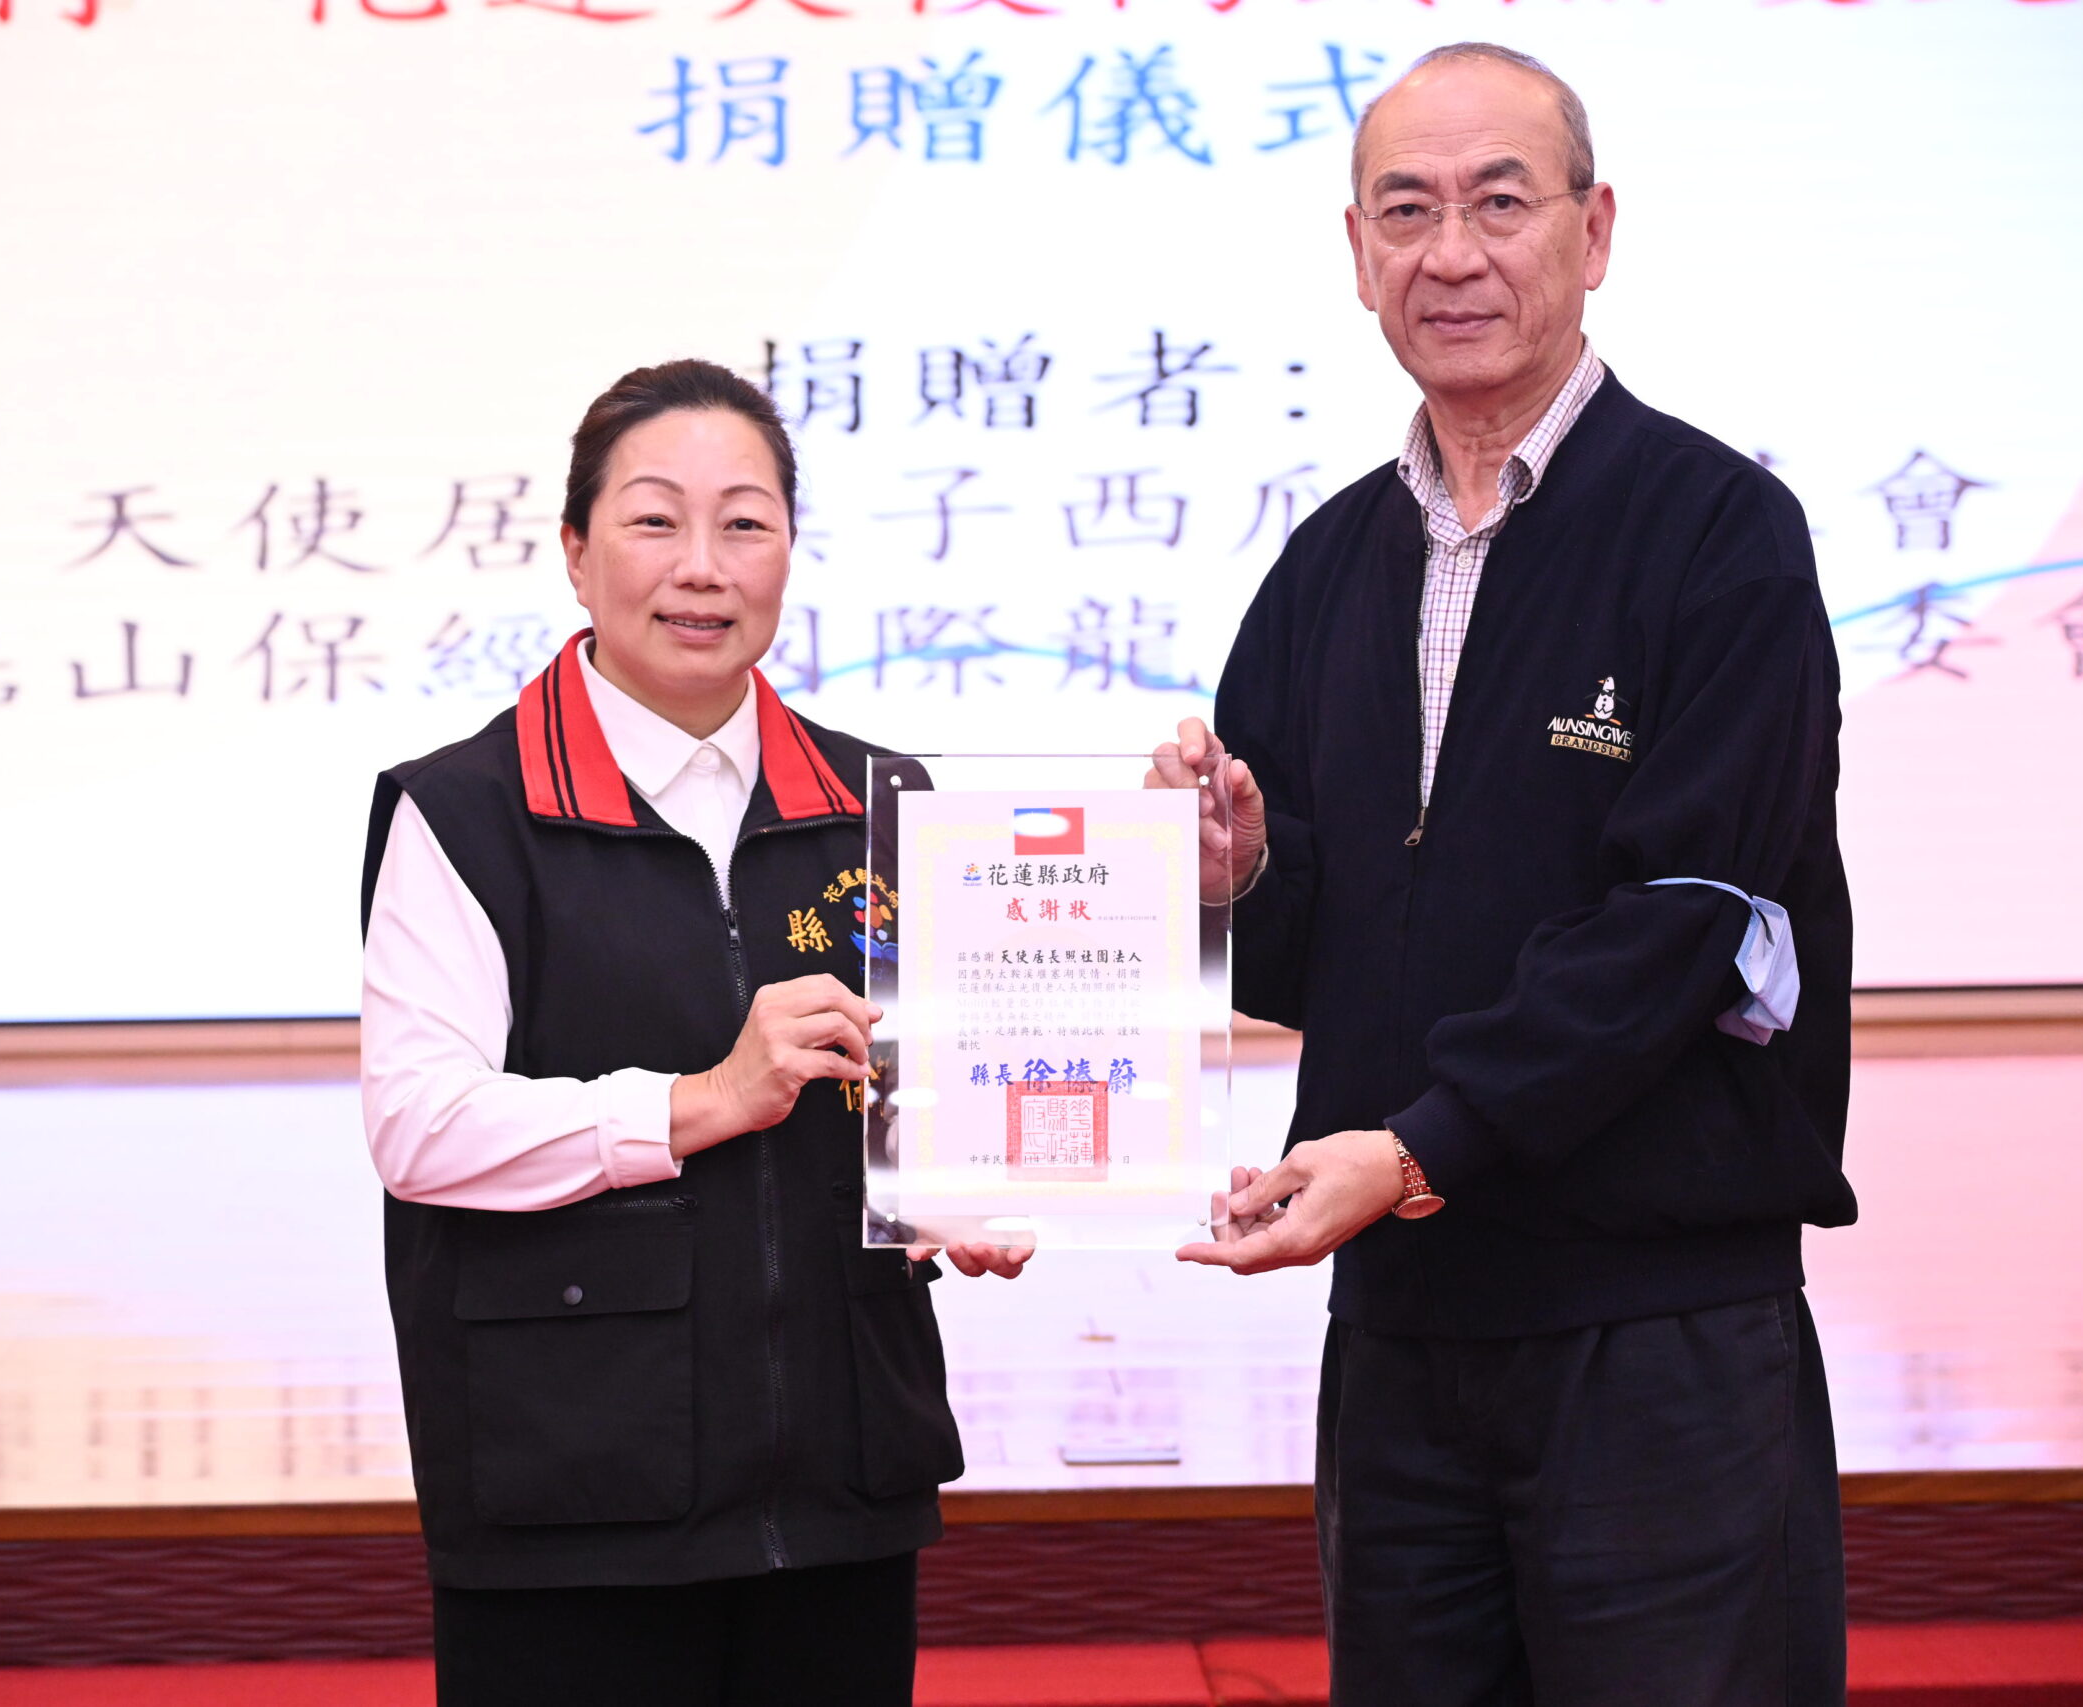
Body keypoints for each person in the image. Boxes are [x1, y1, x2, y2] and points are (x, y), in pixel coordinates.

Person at [1162, 43, 1857, 1706]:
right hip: (1401, 1335)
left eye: (1500, 202)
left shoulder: (1718, 534)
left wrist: (1418, 1149)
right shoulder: (1325, 565)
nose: (1452, 254)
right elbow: (1320, 956)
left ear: (1594, 231)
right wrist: (1233, 881)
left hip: (1657, 1335)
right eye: (1406, 212)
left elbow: (1682, 930)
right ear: (1357, 254)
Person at [358, 359, 1027, 1707]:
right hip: (573, 1493)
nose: (703, 567)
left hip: (841, 1480)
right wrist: (704, 1097)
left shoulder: (886, 799)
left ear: (789, 551)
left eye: (746, 523)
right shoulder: (465, 813)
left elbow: (929, 1100)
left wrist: (966, 1190)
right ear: (576, 552)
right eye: (656, 520)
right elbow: (420, 1128)